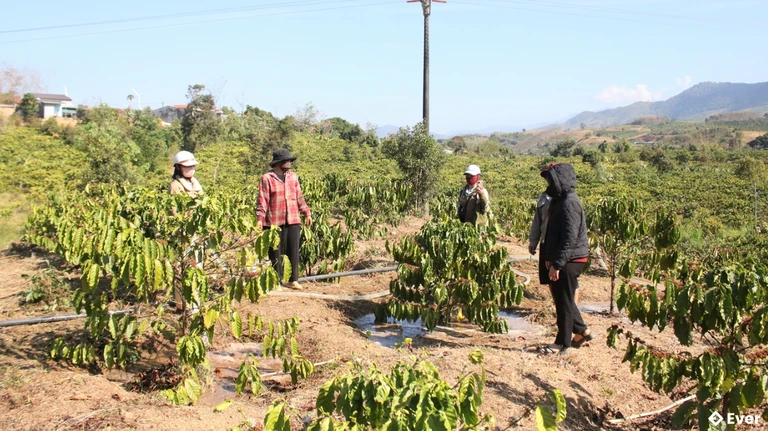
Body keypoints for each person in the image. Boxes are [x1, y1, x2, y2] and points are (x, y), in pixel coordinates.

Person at [540, 163, 592, 355]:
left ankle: (563, 343)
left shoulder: (569, 202)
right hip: (567, 257)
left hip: (571, 259)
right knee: (565, 300)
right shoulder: (560, 201)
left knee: (564, 302)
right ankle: (581, 333)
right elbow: (556, 235)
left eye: (551, 180)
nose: (548, 185)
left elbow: (569, 238)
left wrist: (557, 263)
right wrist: (549, 257)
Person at [256, 148, 313, 290]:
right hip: (274, 221)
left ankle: (293, 280)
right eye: (286, 161)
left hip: (293, 219)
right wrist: (259, 219)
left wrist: (307, 213)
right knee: (275, 252)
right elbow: (263, 200)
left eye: (289, 160)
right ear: (277, 163)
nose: (289, 163)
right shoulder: (267, 178)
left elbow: (299, 196)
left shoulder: (293, 177)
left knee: (293, 250)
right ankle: (276, 282)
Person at [168, 150, 203, 313]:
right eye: (187, 167)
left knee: (197, 268)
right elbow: (176, 212)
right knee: (183, 269)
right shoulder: (176, 186)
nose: (191, 169)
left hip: (197, 231)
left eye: (192, 166)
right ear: (178, 168)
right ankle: (182, 303)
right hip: (184, 233)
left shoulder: (195, 183)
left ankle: (195, 301)